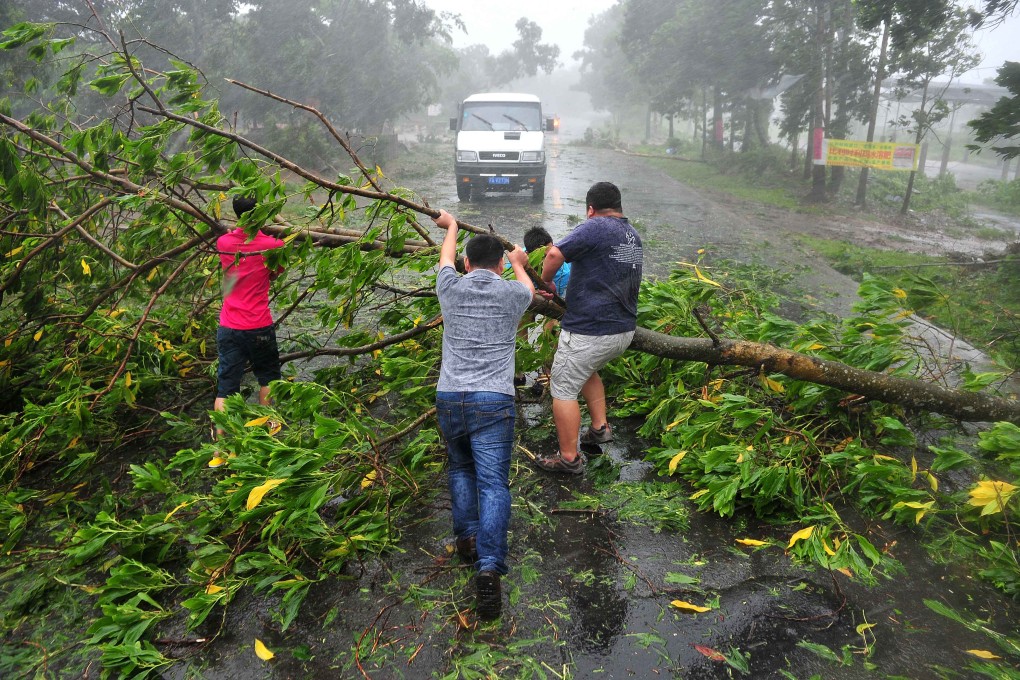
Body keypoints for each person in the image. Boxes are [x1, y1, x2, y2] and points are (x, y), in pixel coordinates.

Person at [433, 209, 536, 620]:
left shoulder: (450, 288)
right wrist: (517, 261)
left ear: (467, 265)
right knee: (493, 485)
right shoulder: (512, 294)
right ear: (497, 267)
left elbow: (444, 260)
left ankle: (467, 540)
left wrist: (452, 226)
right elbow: (528, 286)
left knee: (460, 470)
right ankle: (489, 567)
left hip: (449, 396)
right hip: (492, 399)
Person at [533, 181, 643, 474]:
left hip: (591, 329)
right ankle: (599, 427)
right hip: (623, 329)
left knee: (563, 388)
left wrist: (544, 281)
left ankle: (568, 458)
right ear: (618, 206)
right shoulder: (632, 234)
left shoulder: (595, 226)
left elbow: (555, 254)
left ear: (591, 209)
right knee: (585, 369)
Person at [213, 195, 286, 436]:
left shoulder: (223, 243)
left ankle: (219, 447)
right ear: (262, 213)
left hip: (229, 327)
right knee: (268, 378)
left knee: (225, 388)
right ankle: (269, 431)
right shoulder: (274, 247)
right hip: (258, 326)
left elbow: (233, 243)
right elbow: (274, 274)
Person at [513, 226, 571, 389]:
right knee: (521, 321)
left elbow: (557, 304)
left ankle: (546, 371)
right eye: (542, 257)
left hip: (552, 298)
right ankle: (519, 369)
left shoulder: (563, 272)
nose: (547, 259)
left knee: (551, 325)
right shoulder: (519, 261)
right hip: (529, 295)